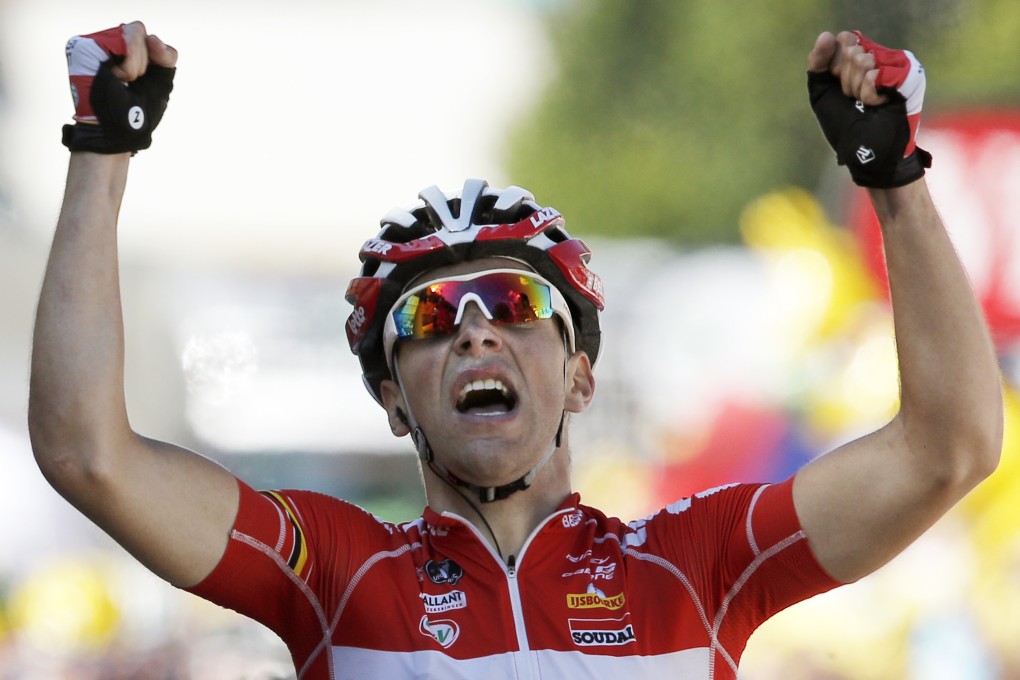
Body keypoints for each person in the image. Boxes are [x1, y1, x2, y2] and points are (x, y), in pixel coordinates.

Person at [29, 20, 1002, 680]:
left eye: (513, 300)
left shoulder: (693, 564)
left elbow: (950, 444)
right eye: (427, 318)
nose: (474, 327)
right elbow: (87, 453)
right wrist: (99, 155)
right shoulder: (334, 567)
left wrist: (895, 179)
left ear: (579, 373)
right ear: (393, 400)